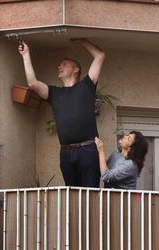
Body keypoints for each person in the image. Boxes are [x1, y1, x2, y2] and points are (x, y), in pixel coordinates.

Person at [18, 38, 105, 187]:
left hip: (88, 149)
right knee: (71, 196)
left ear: (75, 69)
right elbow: (32, 83)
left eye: (64, 64)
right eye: (60, 65)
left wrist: (82, 40)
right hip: (65, 152)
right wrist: (26, 55)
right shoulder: (54, 93)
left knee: (90, 195)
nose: (59, 66)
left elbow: (100, 55)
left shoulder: (87, 86)